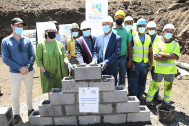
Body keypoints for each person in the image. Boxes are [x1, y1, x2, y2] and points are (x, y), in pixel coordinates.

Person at [1, 17, 35, 124]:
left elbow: (32, 55)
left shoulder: (27, 40)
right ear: (12, 26)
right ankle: (16, 113)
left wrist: (28, 66)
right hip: (15, 73)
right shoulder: (6, 41)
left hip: (28, 71)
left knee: (29, 91)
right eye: (18, 26)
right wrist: (19, 68)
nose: (20, 27)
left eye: (21, 26)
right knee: (15, 94)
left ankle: (30, 109)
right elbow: (6, 58)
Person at [146, 24, 180, 106]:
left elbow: (176, 57)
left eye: (171, 32)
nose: (169, 33)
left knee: (168, 86)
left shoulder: (175, 44)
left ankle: (166, 101)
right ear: (163, 32)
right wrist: (170, 56)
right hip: (159, 70)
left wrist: (163, 54)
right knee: (154, 86)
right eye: (167, 31)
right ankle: (148, 101)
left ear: (173, 33)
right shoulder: (158, 44)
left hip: (171, 71)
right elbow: (156, 57)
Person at [36, 22, 72, 98]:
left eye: (54, 31)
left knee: (60, 90)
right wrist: (45, 73)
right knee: (51, 92)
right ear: (46, 32)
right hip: (48, 73)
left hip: (59, 72)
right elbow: (39, 60)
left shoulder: (59, 44)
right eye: (50, 31)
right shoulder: (41, 45)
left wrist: (68, 63)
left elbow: (63, 56)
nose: (52, 33)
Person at [91, 15, 121, 84]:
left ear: (112, 25)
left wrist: (106, 63)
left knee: (111, 90)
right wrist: (94, 59)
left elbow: (116, 53)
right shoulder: (98, 38)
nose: (105, 26)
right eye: (103, 24)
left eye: (107, 24)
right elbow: (95, 51)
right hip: (100, 70)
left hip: (111, 69)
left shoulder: (117, 38)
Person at [129, 18, 153, 101]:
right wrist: (131, 62)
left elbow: (150, 51)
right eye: (140, 26)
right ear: (137, 27)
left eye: (143, 26)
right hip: (136, 62)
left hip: (145, 63)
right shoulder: (133, 36)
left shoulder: (148, 37)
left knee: (143, 79)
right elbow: (130, 50)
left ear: (146, 27)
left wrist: (151, 63)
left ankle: (140, 94)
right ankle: (134, 95)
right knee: (134, 80)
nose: (142, 27)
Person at [113, 10, 132, 87]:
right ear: (114, 18)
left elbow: (129, 47)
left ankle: (121, 94)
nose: (119, 19)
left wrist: (130, 60)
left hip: (123, 58)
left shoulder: (127, 31)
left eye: (121, 17)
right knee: (112, 78)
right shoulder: (111, 30)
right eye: (118, 17)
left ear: (124, 19)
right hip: (113, 58)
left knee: (122, 78)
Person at [147, 21, 162, 102]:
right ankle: (142, 92)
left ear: (155, 29)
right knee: (143, 78)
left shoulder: (159, 39)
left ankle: (156, 94)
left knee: (156, 79)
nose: (151, 30)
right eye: (150, 29)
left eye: (153, 29)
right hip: (146, 61)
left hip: (156, 63)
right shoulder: (145, 37)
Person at [124, 16, 136, 95]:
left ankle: (131, 91)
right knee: (123, 75)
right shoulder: (123, 33)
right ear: (124, 24)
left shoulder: (135, 34)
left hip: (133, 57)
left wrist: (132, 60)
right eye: (127, 23)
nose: (129, 24)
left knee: (132, 75)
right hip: (125, 57)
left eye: (130, 23)